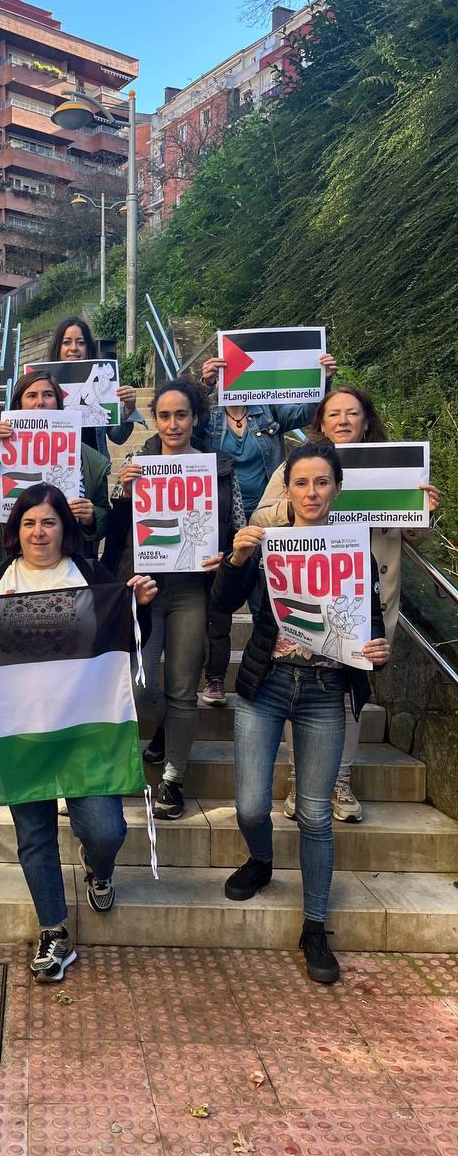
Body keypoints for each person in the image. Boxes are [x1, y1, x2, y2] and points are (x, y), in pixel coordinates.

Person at [0, 483, 156, 983]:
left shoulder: (90, 575)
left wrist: (140, 605)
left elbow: (129, 637)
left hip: (83, 731)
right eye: (29, 522)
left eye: (49, 522)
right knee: (34, 836)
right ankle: (54, 931)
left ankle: (98, 866)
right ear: (16, 530)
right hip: (17, 732)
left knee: (106, 831)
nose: (39, 532)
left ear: (64, 529)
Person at [211, 442, 389, 983]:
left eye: (322, 482)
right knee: (249, 806)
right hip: (266, 684)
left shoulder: (353, 547)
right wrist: (237, 559)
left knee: (314, 814)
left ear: (336, 488)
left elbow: (370, 623)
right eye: (301, 483)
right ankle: (261, 859)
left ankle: (314, 925)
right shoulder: (268, 544)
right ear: (286, 490)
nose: (312, 493)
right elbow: (222, 603)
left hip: (324, 690)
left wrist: (377, 649)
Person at [252, 386, 440, 822]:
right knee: (300, 684)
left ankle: (339, 781)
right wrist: (294, 507)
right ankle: (300, 778)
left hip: (368, 598)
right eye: (333, 413)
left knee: (350, 687)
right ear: (320, 421)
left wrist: (423, 512)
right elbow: (260, 518)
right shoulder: (299, 464)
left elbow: (415, 537)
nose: (342, 420)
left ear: (366, 420)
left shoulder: (395, 467)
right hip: (306, 592)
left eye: (351, 413)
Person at [102, 378, 244, 821]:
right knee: (139, 686)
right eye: (164, 415)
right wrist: (124, 494)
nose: (173, 423)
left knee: (183, 690)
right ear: (156, 420)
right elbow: (114, 533)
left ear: (196, 418)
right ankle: (168, 726)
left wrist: (226, 554)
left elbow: (237, 526)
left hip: (191, 590)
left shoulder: (219, 468)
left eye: (181, 414)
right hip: (143, 586)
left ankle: (173, 779)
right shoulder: (137, 462)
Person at [193, 348, 338, 706]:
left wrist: (322, 380)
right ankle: (215, 676)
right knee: (219, 597)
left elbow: (307, 412)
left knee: (267, 600)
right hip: (220, 519)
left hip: (269, 521)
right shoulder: (209, 417)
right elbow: (186, 431)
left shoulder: (268, 409)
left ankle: (272, 676)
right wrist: (204, 386)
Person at [0, 370, 111, 562]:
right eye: (31, 395)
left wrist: (91, 517)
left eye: (48, 395)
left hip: (69, 564)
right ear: (18, 404)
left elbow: (105, 518)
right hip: (9, 561)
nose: (40, 402)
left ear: (58, 403)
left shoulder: (91, 460)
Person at [47, 315, 140, 457]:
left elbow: (118, 437)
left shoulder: (103, 383)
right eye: (66, 342)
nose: (74, 348)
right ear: (58, 347)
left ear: (88, 347)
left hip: (95, 469)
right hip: (56, 465)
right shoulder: (42, 384)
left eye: (80, 342)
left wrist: (129, 408)